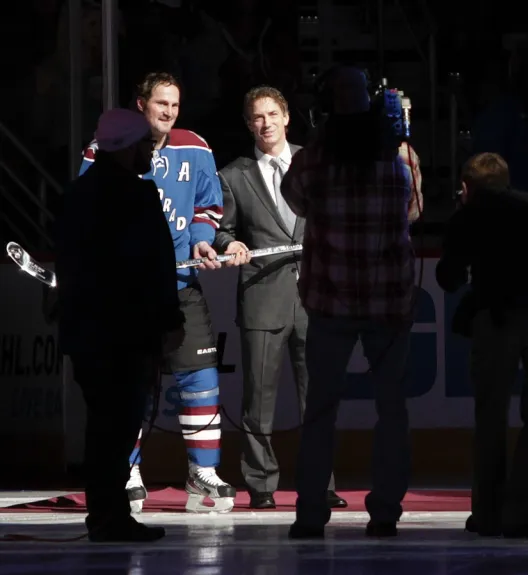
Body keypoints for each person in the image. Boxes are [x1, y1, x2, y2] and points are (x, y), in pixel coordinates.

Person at [79, 72, 237, 514]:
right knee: (132, 387)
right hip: (126, 295)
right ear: (140, 104)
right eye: (160, 103)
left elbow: (208, 206)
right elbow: (86, 213)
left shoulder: (196, 146)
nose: (168, 112)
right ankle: (127, 470)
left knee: (200, 377)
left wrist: (203, 240)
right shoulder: (103, 150)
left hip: (181, 286)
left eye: (175, 104)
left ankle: (202, 471)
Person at [282, 66, 416, 539]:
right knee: (392, 410)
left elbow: (294, 201)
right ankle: (384, 513)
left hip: (331, 301)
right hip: (387, 302)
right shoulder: (399, 156)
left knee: (319, 410)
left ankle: (310, 514)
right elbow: (414, 210)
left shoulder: (315, 159)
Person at [215, 86, 348, 511]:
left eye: (272, 114)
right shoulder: (233, 175)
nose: (266, 123)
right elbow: (223, 229)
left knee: (319, 395)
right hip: (261, 296)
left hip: (315, 293)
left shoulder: (315, 162)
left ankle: (322, 482)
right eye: (257, 117)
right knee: (258, 399)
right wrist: (227, 243)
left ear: (287, 117)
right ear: (248, 123)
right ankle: (260, 484)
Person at [57, 108, 182, 541]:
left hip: (88, 334)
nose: (149, 151)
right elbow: (158, 267)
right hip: (128, 334)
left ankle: (104, 514)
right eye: (145, 144)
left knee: (101, 425)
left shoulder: (75, 195)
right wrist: (170, 320)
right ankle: (110, 517)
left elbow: (67, 271)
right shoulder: (138, 196)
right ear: (128, 147)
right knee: (120, 425)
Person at [436, 152, 528, 538]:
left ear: (467, 187)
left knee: (491, 418)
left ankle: (487, 512)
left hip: (496, 322)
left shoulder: (468, 215)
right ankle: (521, 509)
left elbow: (449, 277)